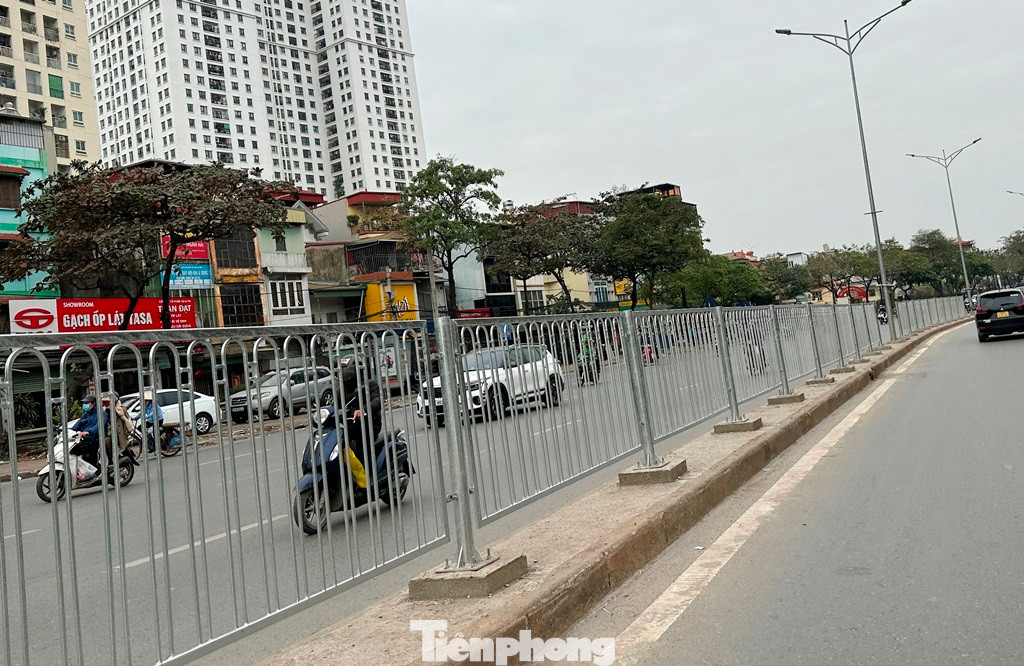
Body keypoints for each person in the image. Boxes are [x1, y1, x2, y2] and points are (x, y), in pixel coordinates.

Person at [335, 358, 382, 489]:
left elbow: (377, 401)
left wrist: (364, 409)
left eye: (350, 371)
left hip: (370, 423)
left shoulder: (369, 385)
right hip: (349, 425)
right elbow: (334, 407)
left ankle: (366, 476)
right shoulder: (340, 390)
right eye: (344, 372)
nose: (346, 375)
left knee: (361, 443)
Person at [71, 395, 108, 477]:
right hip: (86, 440)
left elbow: (99, 426)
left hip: (97, 440)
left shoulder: (102, 414)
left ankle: (96, 472)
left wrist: (88, 432)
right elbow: (76, 426)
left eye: (87, 403)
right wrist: (67, 431)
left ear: (94, 403)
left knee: (90, 455)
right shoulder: (85, 415)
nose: (85, 405)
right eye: (84, 403)